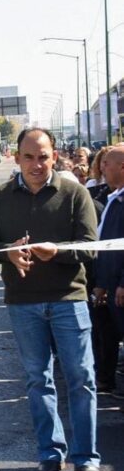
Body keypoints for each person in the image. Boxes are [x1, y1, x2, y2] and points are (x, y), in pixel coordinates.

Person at [0, 128, 101, 471]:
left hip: (69, 301)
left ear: (54, 155)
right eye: (29, 157)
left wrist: (56, 251)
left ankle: (86, 458)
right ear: (16, 158)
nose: (36, 164)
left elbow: (91, 247)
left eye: (43, 156)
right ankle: (49, 454)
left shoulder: (74, 193)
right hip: (23, 303)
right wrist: (8, 253)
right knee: (38, 380)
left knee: (81, 379)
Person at [92, 146, 124, 396]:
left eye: (108, 164)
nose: (103, 167)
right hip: (110, 286)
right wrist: (102, 283)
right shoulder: (115, 198)